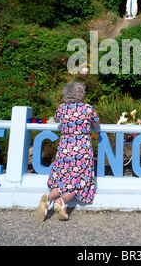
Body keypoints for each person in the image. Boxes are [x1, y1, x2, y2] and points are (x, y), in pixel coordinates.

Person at [36, 82, 100, 222]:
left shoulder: (62, 108)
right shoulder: (88, 108)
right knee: (80, 179)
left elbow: (58, 120)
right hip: (82, 147)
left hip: (65, 146)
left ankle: (50, 198)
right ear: (81, 94)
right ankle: (61, 201)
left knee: (64, 176)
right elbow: (96, 125)